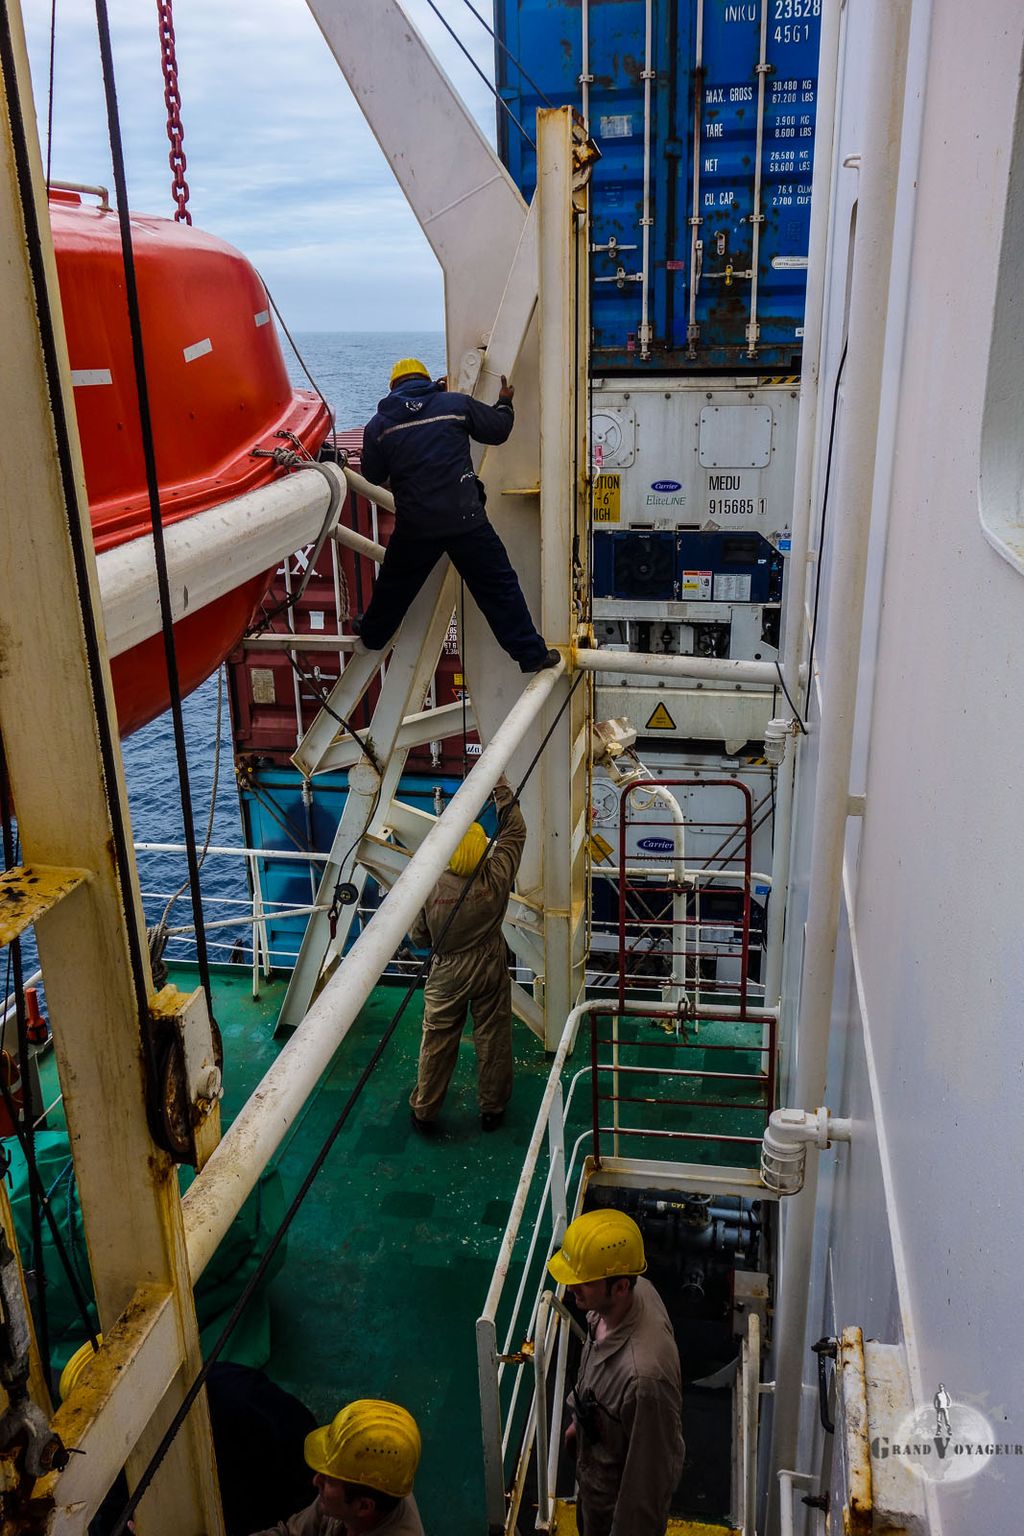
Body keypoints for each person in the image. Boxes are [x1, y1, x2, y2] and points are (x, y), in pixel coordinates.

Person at [356, 358, 558, 674]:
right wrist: (504, 403)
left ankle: (372, 636)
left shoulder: (379, 425)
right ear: (426, 379)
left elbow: (371, 472)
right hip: (465, 520)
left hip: (416, 526)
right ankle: (531, 654)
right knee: (498, 587)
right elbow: (498, 430)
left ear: (393, 387)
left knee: (393, 587)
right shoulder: (454, 404)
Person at [547, 1209, 685, 1536]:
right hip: (594, 1472)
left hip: (611, 1506)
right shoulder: (622, 1301)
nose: (572, 1287)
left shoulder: (645, 1380)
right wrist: (577, 1427)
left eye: (586, 1282)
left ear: (620, 1287)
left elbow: (646, 1484)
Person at [408, 775, 526, 1134]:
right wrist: (502, 789)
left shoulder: (429, 887)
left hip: (447, 971)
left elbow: (418, 935)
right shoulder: (496, 876)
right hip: (490, 961)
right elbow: (514, 833)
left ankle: (425, 1111)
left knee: (438, 1039)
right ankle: (493, 1108)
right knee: (493, 1037)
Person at [249, 1398, 424, 1535]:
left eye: (329, 1480)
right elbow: (289, 1533)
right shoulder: (362, 1485)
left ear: (364, 1506)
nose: (316, 1480)